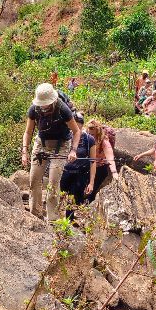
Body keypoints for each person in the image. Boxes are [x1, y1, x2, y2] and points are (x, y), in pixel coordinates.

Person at [22, 83, 81, 221]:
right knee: (34, 180)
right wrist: (24, 150)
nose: (43, 107)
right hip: (41, 144)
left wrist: (73, 150)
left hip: (61, 146)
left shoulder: (63, 110)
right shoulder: (34, 109)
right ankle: (35, 214)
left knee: (53, 183)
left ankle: (53, 219)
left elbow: (76, 131)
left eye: (46, 104)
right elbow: (28, 132)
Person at [60, 112, 97, 213]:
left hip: (80, 175)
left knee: (72, 201)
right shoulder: (65, 137)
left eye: (79, 127)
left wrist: (91, 183)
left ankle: (69, 223)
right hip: (64, 172)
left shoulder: (89, 140)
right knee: (59, 198)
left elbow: (93, 162)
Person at [85, 119, 118, 191]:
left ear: (98, 133)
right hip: (88, 165)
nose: (90, 136)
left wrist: (114, 172)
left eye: (92, 134)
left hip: (100, 167)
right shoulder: (86, 137)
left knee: (93, 189)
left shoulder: (104, 141)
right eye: (89, 134)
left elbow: (110, 157)